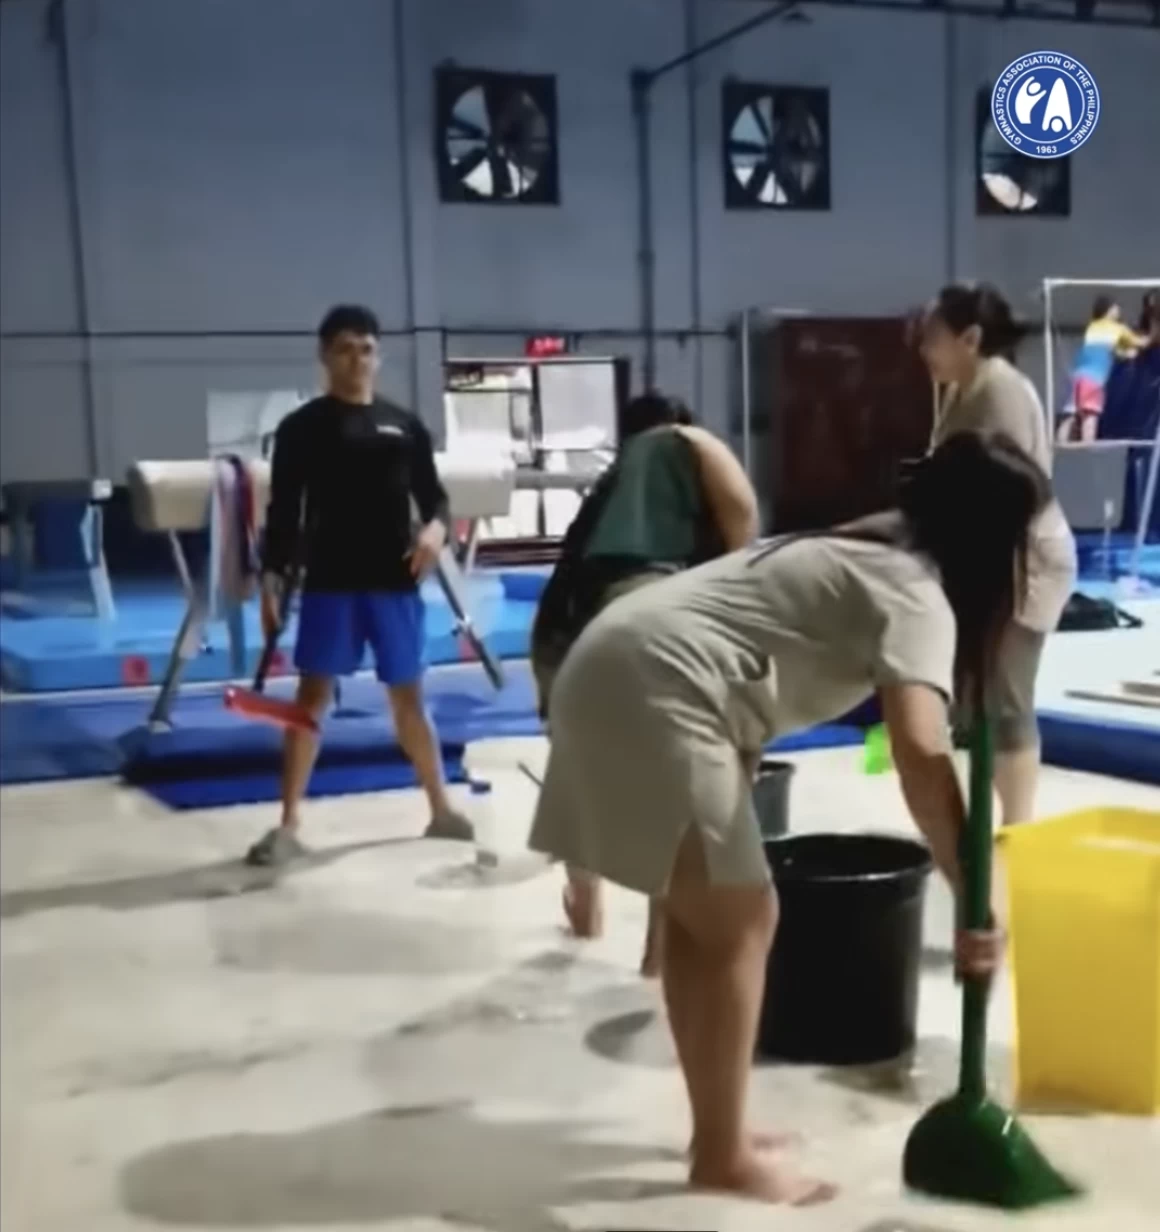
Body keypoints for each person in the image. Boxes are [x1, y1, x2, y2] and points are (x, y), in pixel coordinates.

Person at [527, 432, 1043, 1204]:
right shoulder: (916, 591)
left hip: (609, 667)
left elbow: (745, 659)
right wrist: (976, 894)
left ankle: (716, 1131)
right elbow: (920, 753)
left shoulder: (856, 550)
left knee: (708, 926)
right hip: (651, 686)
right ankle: (724, 1154)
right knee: (744, 918)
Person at [531, 392, 759, 974]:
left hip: (557, 636)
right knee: (672, 794)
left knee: (575, 774)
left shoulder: (610, 490)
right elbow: (742, 512)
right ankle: (659, 959)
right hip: (634, 607)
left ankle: (585, 909)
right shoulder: (675, 445)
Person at [245, 305, 471, 867]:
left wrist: (437, 531)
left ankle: (440, 809)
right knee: (312, 699)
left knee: (408, 699)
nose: (357, 359)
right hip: (329, 584)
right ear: (325, 356)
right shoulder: (301, 429)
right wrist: (269, 587)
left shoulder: (404, 425)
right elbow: (282, 514)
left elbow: (435, 496)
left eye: (366, 348)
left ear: (379, 354)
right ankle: (289, 822)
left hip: (395, 582)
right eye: (345, 348)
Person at [919, 283, 1076, 827]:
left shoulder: (1000, 392)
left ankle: (1017, 829)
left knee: (1006, 699)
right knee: (976, 695)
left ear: (971, 338)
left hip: (1022, 559)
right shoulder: (962, 388)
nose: (924, 350)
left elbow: (1000, 496)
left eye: (934, 338)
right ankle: (983, 822)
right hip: (983, 559)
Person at [1057, 295, 1151, 443]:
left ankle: (1059, 444)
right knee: (1090, 414)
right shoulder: (1117, 328)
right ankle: (1087, 447)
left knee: (1070, 414)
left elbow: (1111, 350)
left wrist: (1126, 354)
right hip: (1094, 378)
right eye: (1116, 307)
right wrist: (1154, 333)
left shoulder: (1093, 326)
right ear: (1110, 310)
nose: (1119, 310)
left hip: (1077, 376)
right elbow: (1140, 343)